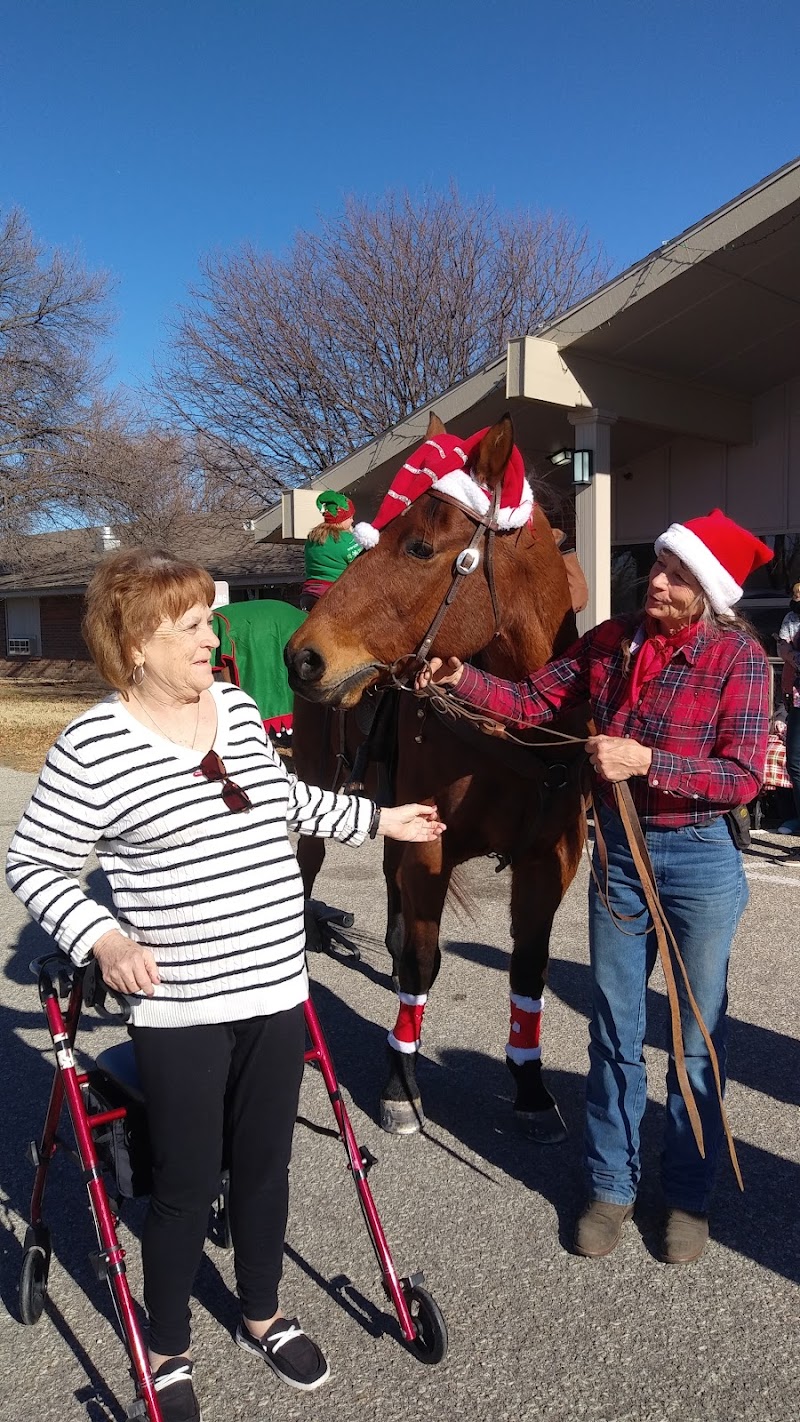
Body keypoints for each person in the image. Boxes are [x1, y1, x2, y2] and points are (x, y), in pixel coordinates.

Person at [6, 548, 444, 1422]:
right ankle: (167, 1348)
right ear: (135, 643)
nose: (215, 637)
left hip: (277, 988)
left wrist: (379, 820)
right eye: (194, 625)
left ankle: (262, 1313)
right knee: (183, 1183)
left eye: (210, 618)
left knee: (264, 1170)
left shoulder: (237, 709)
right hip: (183, 1008)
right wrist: (99, 934)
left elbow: (286, 801)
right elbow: (35, 859)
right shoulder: (94, 744)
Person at [416, 508, 772, 1266]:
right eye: (659, 566)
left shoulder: (739, 661)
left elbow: (742, 778)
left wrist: (647, 763)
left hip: (700, 859)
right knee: (613, 1030)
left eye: (678, 575)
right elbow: (535, 698)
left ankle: (688, 1197)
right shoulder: (611, 642)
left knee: (694, 1040)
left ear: (707, 592)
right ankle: (611, 1185)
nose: (660, 580)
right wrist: (463, 675)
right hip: (617, 858)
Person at [300, 490, 362, 610]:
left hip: (309, 594)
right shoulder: (347, 540)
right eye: (350, 517)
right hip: (336, 595)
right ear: (343, 518)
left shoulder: (313, 538)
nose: (352, 521)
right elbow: (362, 566)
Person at [775, 579, 800, 833]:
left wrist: (792, 655)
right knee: (795, 762)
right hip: (795, 697)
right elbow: (781, 647)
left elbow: (787, 652)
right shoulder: (791, 618)